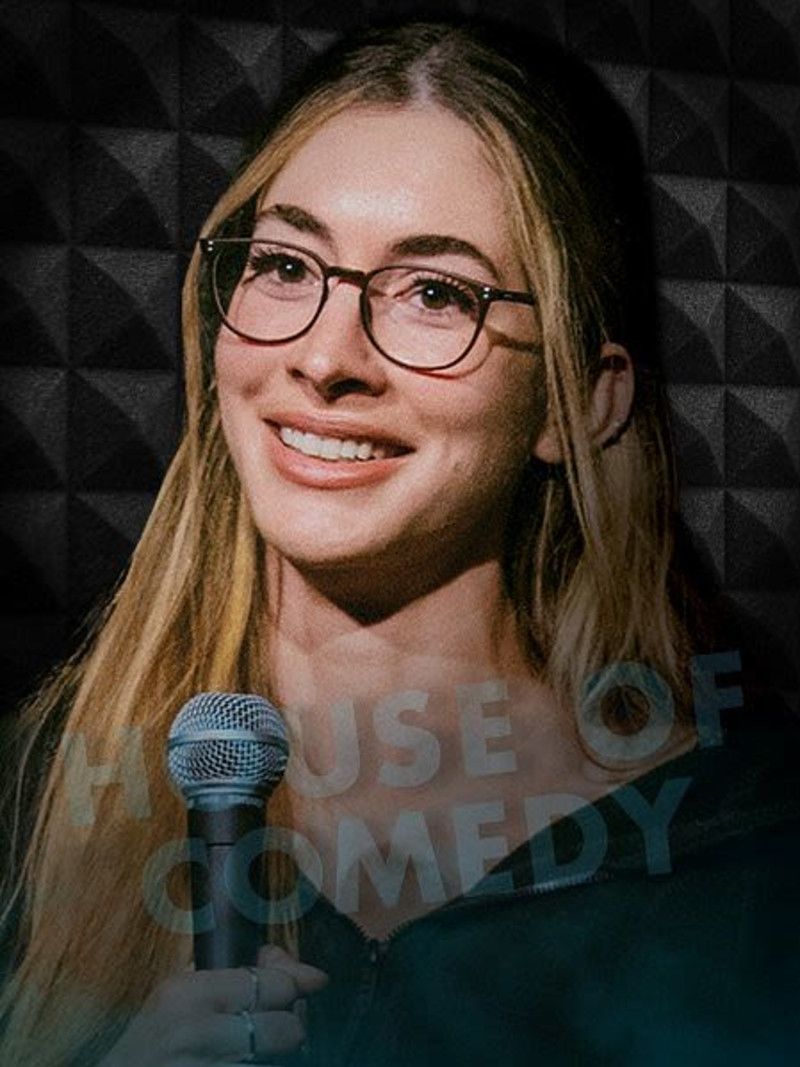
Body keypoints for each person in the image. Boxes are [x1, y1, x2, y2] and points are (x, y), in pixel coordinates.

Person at [1, 19, 798, 1067]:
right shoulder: (34, 801)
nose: (326, 356)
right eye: (285, 264)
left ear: (580, 401)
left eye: (435, 293)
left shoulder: (746, 852)